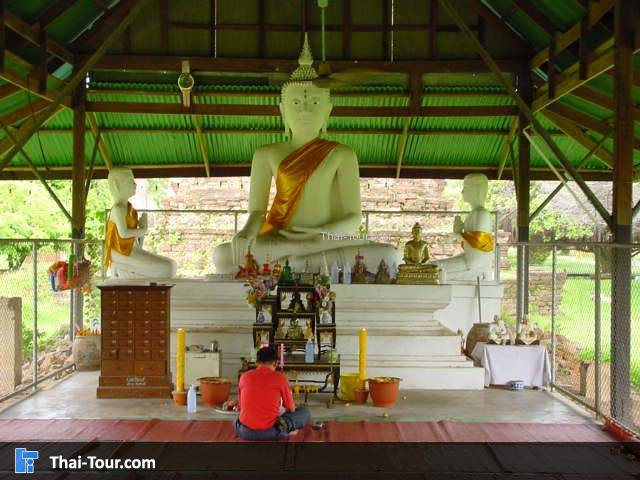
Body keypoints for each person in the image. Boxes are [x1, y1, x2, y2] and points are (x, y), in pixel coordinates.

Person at [234, 346, 311, 440]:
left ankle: (284, 426)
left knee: (236, 418)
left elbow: (241, 405)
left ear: (256, 362)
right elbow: (291, 408)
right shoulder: (280, 378)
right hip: (272, 432)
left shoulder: (244, 377)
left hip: (245, 432)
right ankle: (288, 428)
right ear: (275, 363)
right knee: (304, 412)